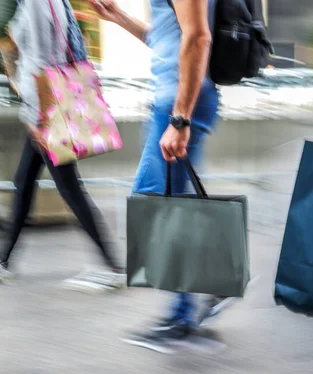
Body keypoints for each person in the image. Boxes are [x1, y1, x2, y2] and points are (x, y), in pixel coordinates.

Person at [87, 0, 236, 352]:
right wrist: (119, 17)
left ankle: (184, 316)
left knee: (152, 204)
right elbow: (170, 38)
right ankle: (215, 279)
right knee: (170, 204)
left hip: (180, 104)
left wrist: (180, 119)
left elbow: (199, 37)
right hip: (173, 101)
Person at [0, 0, 126, 292]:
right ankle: (2, 257)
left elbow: (40, 60)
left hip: (46, 109)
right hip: (52, 103)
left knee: (70, 189)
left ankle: (112, 265)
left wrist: (35, 118)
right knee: (24, 182)